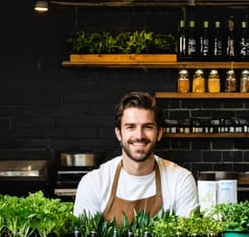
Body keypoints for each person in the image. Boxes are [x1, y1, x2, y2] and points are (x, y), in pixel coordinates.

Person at [73, 91, 199, 222]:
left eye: (147, 127)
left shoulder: (180, 180)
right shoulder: (94, 183)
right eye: (130, 127)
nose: (139, 135)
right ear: (118, 133)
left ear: (159, 133)